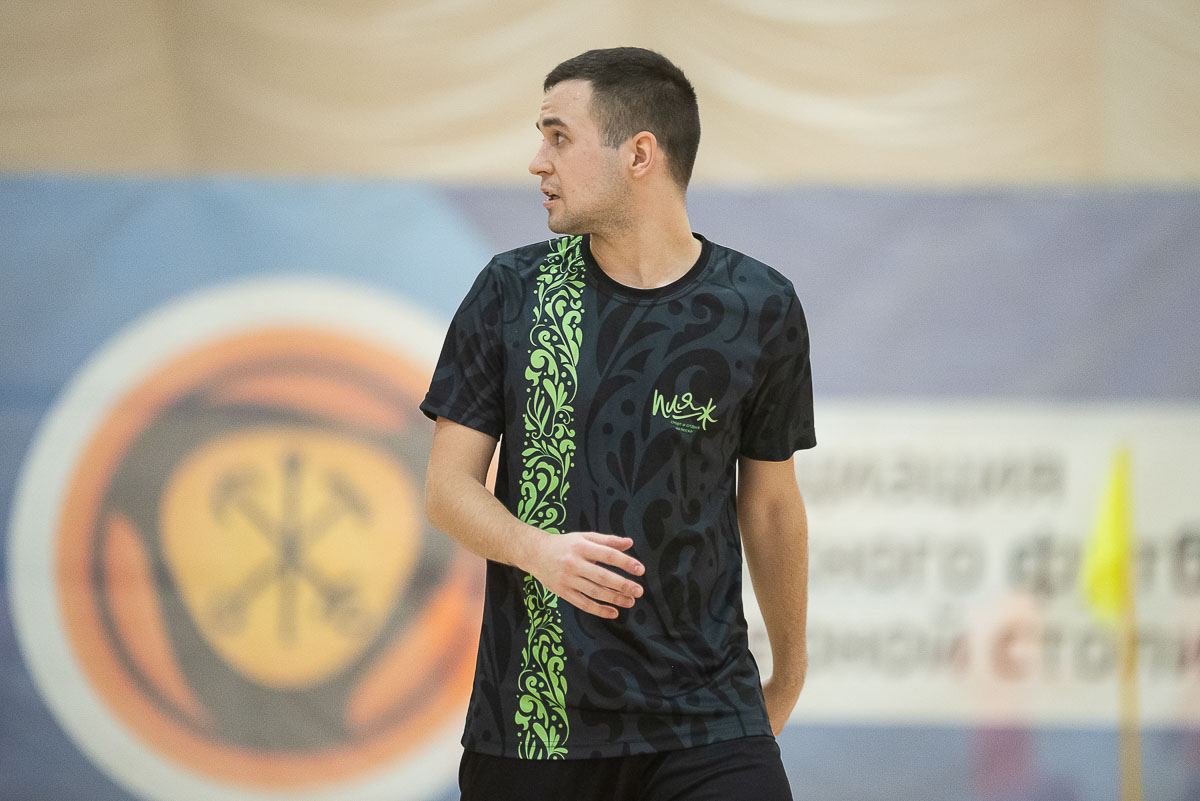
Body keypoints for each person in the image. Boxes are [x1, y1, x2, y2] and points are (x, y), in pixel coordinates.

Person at [421, 46, 814, 801]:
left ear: (639, 154)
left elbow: (770, 505)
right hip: (534, 724)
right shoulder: (510, 292)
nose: (538, 161)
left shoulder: (760, 305)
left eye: (559, 137)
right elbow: (447, 489)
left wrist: (790, 673)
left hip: (710, 721)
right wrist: (536, 550)